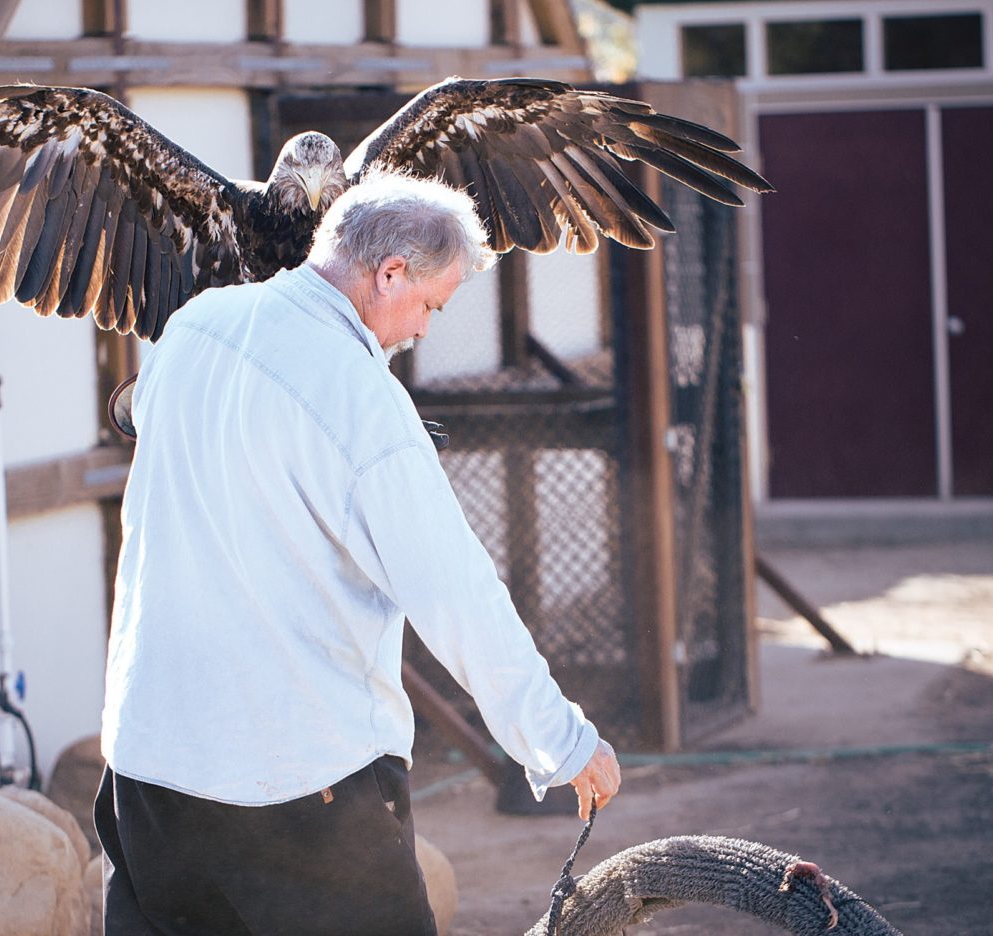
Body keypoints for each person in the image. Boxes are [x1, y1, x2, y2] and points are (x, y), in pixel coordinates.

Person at [96, 170, 621, 936]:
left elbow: (135, 410)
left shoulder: (198, 325)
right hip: (297, 789)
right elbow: (458, 595)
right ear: (389, 273)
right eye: (430, 304)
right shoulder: (366, 404)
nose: (424, 330)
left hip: (148, 770)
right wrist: (562, 740)